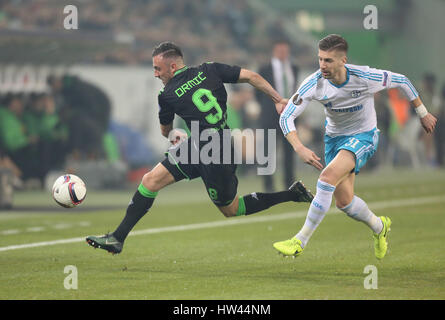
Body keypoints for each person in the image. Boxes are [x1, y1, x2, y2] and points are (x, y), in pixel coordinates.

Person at [86, 42, 314, 254]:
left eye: (158, 69)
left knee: (231, 209)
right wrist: (277, 99)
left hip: (216, 156)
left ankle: (291, 194)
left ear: (173, 66)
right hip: (205, 147)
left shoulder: (166, 95)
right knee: (150, 180)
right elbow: (252, 76)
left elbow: (166, 131)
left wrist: (175, 134)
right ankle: (117, 238)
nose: (156, 74)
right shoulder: (210, 69)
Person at [273, 34, 437, 260]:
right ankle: (380, 227)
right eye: (320, 59)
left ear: (343, 60)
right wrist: (299, 147)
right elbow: (285, 118)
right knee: (344, 202)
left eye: (328, 60)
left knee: (326, 178)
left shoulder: (365, 76)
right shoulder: (314, 83)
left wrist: (423, 113)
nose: (322, 65)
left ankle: (299, 240)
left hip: (364, 136)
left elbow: (403, 81)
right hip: (334, 140)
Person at [255, 39, 298, 192]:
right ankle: (268, 186)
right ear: (274, 51)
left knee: (289, 152)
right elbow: (258, 93)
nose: (282, 53)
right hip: (270, 116)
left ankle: (290, 184)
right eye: (280, 50)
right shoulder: (264, 69)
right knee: (267, 152)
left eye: (285, 50)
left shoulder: (293, 68)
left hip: (289, 116)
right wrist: (269, 108)